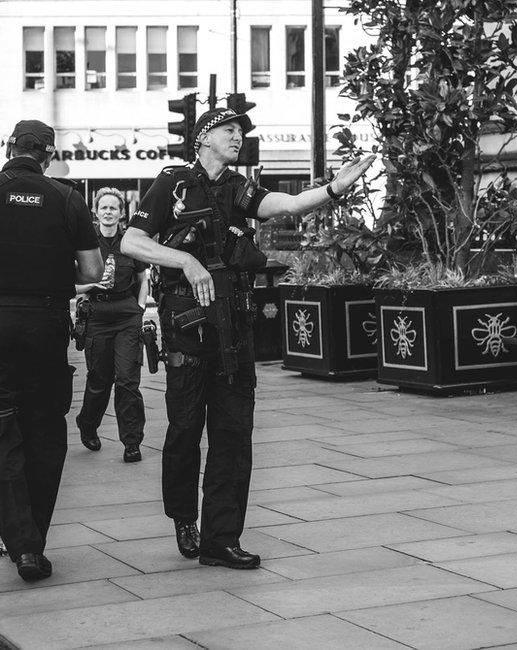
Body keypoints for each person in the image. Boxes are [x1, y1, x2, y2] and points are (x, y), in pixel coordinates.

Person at [121, 107, 374, 569]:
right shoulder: (172, 184)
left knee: (234, 437)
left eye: (241, 132)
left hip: (234, 331)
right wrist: (185, 260)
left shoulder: (238, 188)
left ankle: (222, 538)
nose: (238, 138)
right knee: (183, 434)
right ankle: (183, 516)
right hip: (188, 331)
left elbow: (288, 204)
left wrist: (335, 188)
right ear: (203, 138)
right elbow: (131, 242)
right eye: (229, 130)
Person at [0, 119, 103, 581]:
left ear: (8, 149)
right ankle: (33, 544)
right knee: (45, 431)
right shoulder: (67, 198)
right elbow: (92, 268)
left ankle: (22, 545)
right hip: (46, 324)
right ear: (47, 156)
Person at [75, 188, 150, 463]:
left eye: (113, 208)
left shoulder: (130, 242)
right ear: (95, 212)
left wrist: (140, 308)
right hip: (96, 314)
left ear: (121, 213)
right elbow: (70, 284)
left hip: (127, 314)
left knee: (128, 381)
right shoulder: (86, 244)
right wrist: (91, 285)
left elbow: (143, 279)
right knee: (99, 379)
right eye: (103, 207)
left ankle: (132, 442)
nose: (108, 212)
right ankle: (87, 423)